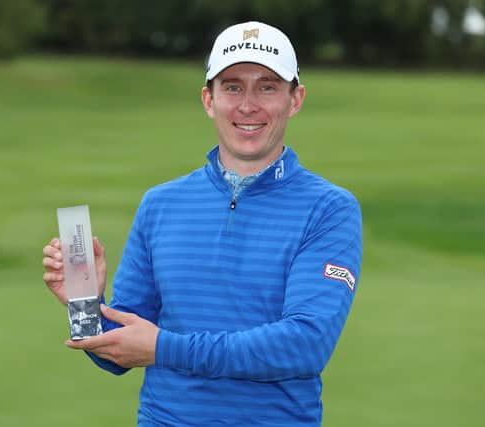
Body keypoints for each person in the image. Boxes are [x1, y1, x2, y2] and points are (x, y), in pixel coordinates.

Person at [42, 21, 362, 426]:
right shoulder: (160, 203)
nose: (248, 105)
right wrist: (84, 303)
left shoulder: (329, 209)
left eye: (266, 86)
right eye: (232, 87)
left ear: (294, 99)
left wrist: (165, 349)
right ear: (208, 99)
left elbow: (305, 344)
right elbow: (120, 353)